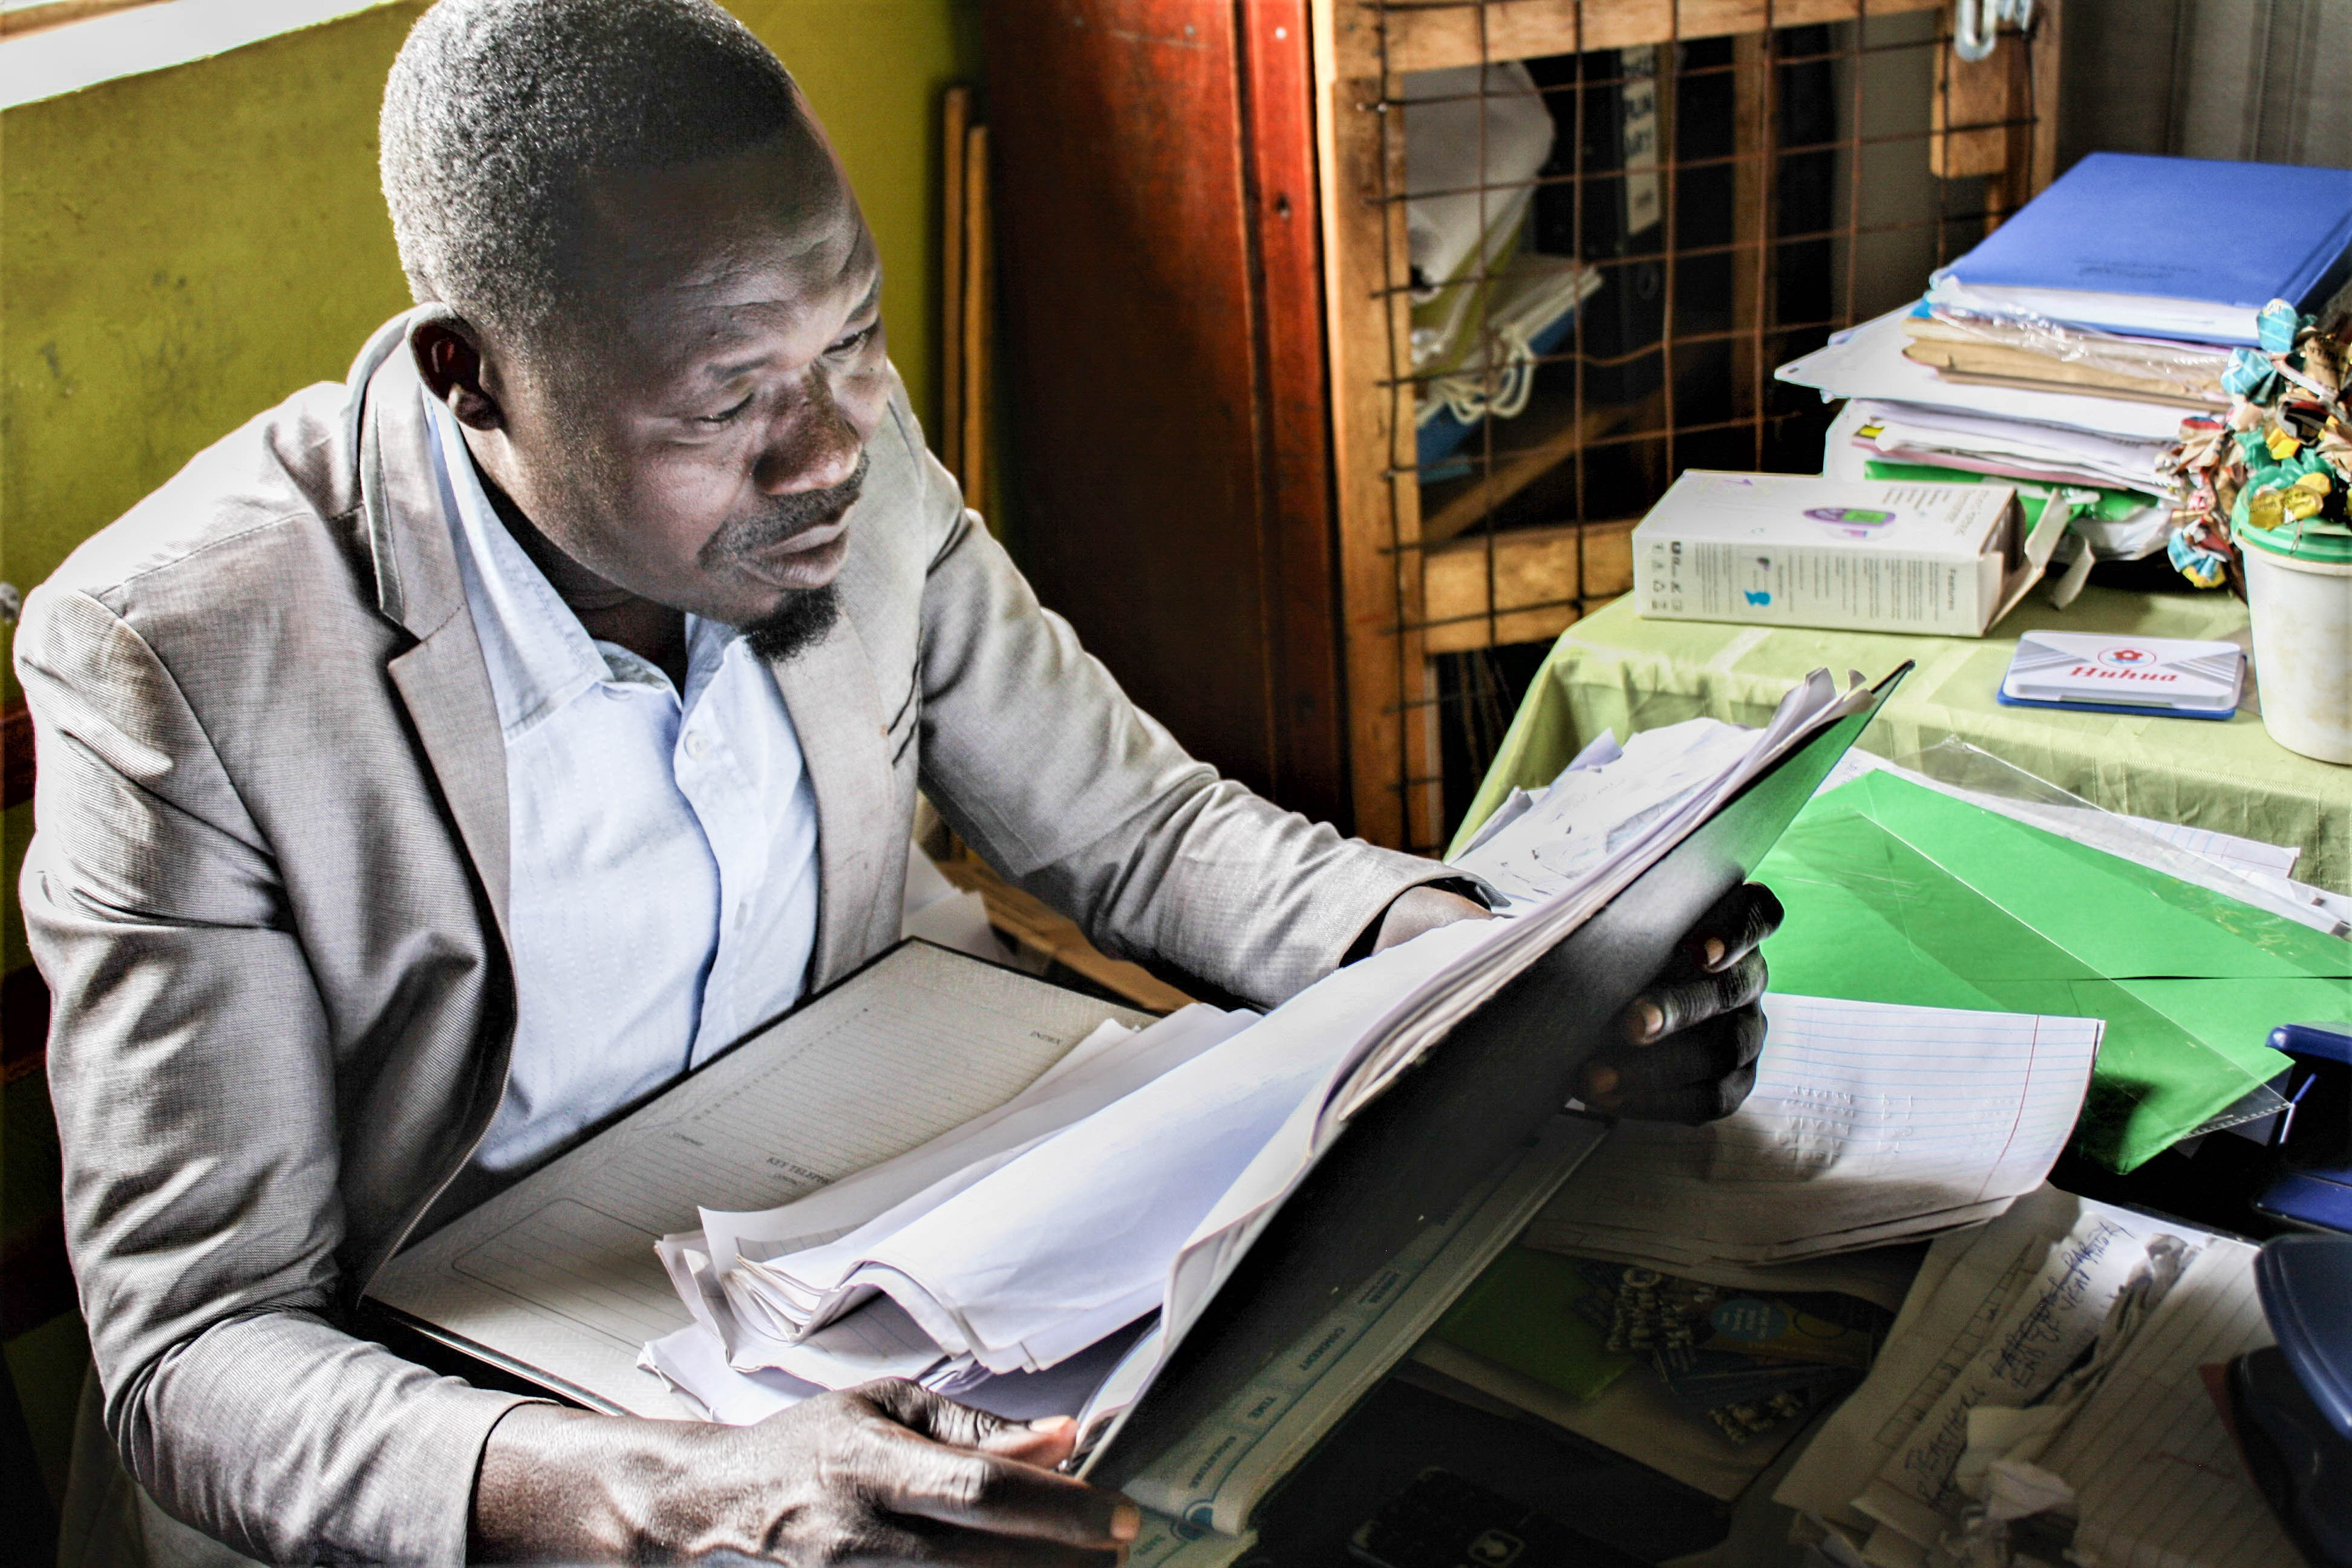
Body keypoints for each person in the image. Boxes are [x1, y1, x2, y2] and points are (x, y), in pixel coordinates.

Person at [16, 2, 1779, 1562]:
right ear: (474, 374)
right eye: (727, 404)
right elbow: (194, 1355)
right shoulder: (187, 661)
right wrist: (655, 1497)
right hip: (521, 1413)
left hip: (915, 1249)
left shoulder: (842, 445)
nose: (834, 444)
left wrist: (1479, 964)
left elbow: (1144, 830)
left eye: (853, 339)